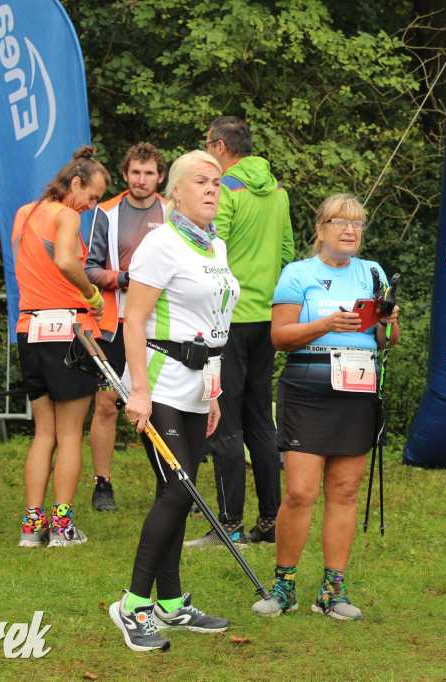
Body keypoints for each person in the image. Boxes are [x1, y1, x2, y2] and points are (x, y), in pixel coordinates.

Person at [109, 150, 239, 651]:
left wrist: (215, 390)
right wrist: (137, 390)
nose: (212, 189)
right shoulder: (160, 243)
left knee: (179, 491)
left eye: (218, 182)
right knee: (179, 490)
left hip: (196, 389)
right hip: (158, 385)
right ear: (176, 193)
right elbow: (133, 321)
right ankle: (133, 606)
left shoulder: (217, 247)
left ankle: (170, 604)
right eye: (202, 181)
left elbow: (214, 326)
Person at [250, 193, 399, 621]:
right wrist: (327, 325)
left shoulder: (373, 273)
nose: (350, 230)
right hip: (307, 386)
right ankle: (284, 585)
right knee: (299, 491)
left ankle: (333, 589)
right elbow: (280, 337)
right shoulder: (298, 273)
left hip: (358, 386)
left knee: (345, 491)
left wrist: (388, 324)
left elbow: (388, 343)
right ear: (320, 229)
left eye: (358, 224)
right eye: (340, 222)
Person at [186, 116, 294, 549]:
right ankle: (270, 520)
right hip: (268, 318)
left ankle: (229, 525)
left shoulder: (226, 189)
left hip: (226, 320)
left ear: (218, 147)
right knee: (259, 422)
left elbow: (216, 251)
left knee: (224, 420)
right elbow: (286, 252)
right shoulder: (279, 192)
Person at [14, 145, 110, 548]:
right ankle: (62, 527)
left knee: (43, 433)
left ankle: (31, 527)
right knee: (70, 435)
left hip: (29, 328)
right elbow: (69, 262)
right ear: (75, 184)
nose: (91, 206)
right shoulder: (67, 214)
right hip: (68, 327)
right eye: (92, 196)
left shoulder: (26, 212)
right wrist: (92, 295)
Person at [85, 142, 168, 512]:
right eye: (135, 172)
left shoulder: (174, 211)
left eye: (149, 173)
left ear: (161, 177)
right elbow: (88, 269)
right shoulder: (106, 211)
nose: (141, 179)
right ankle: (103, 484)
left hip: (161, 323)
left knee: (167, 404)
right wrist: (126, 279)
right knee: (106, 403)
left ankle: (170, 483)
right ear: (124, 175)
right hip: (117, 323)